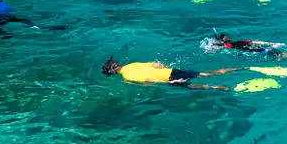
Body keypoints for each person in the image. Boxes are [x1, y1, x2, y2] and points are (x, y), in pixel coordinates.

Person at [101, 57, 242, 90]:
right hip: (170, 71)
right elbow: (156, 64)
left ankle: (217, 88)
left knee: (191, 86)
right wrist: (165, 69)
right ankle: (236, 69)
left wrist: (168, 82)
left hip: (168, 77)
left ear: (114, 72)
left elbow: (149, 80)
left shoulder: (127, 76)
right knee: (205, 74)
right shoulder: (132, 64)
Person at [210, 32, 287, 59]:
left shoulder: (228, 46)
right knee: (283, 54)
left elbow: (214, 50)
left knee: (282, 57)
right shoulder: (240, 41)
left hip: (262, 52)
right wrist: (271, 43)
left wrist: (216, 44)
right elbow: (257, 41)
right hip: (263, 48)